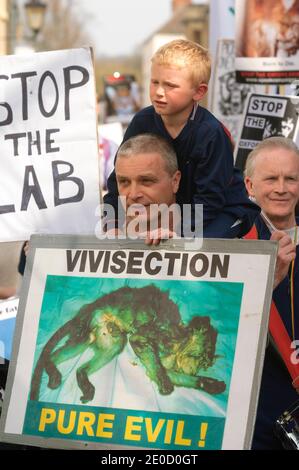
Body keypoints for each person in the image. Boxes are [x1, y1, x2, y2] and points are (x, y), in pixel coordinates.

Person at [104, 39, 259, 238]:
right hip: (179, 210)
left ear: (199, 91)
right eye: (155, 82)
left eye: (170, 86)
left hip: (223, 210)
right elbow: (119, 178)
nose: (159, 92)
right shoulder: (141, 121)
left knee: (198, 247)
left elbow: (210, 198)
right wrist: (113, 223)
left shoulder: (211, 133)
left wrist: (177, 230)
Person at [243, 137, 299, 450]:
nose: (282, 188)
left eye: (291, 178)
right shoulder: (232, 246)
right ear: (250, 185)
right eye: (271, 178)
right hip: (261, 411)